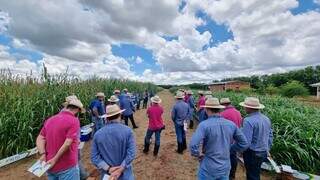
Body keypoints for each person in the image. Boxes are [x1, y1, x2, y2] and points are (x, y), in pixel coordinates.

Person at [189, 98, 249, 180]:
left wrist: (198, 154)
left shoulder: (204, 125)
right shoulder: (231, 124)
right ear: (219, 109)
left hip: (208, 167)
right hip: (225, 167)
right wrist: (230, 149)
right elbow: (244, 143)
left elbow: (193, 145)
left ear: (206, 109)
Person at [36, 99, 86, 180]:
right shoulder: (74, 121)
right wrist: (55, 159)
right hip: (67, 166)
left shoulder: (50, 119)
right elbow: (67, 143)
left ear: (67, 107)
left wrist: (43, 154)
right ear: (77, 110)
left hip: (49, 165)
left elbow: (40, 138)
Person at [91, 104, 136, 180]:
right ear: (120, 115)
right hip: (126, 175)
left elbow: (94, 157)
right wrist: (121, 168)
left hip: (108, 175)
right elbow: (131, 153)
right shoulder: (128, 131)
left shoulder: (97, 134)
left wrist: (108, 168)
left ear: (107, 117)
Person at [240, 97, 273, 180]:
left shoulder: (248, 120)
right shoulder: (266, 119)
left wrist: (239, 151)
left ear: (249, 108)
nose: (244, 108)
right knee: (256, 172)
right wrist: (267, 149)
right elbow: (270, 136)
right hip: (263, 152)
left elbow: (246, 142)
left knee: (252, 175)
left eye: (245, 106)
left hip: (252, 153)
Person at [220, 97, 243, 179]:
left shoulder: (223, 114)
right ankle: (232, 174)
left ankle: (227, 174)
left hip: (227, 139)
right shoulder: (238, 112)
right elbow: (240, 125)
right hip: (235, 139)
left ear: (223, 105)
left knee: (226, 158)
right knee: (233, 157)